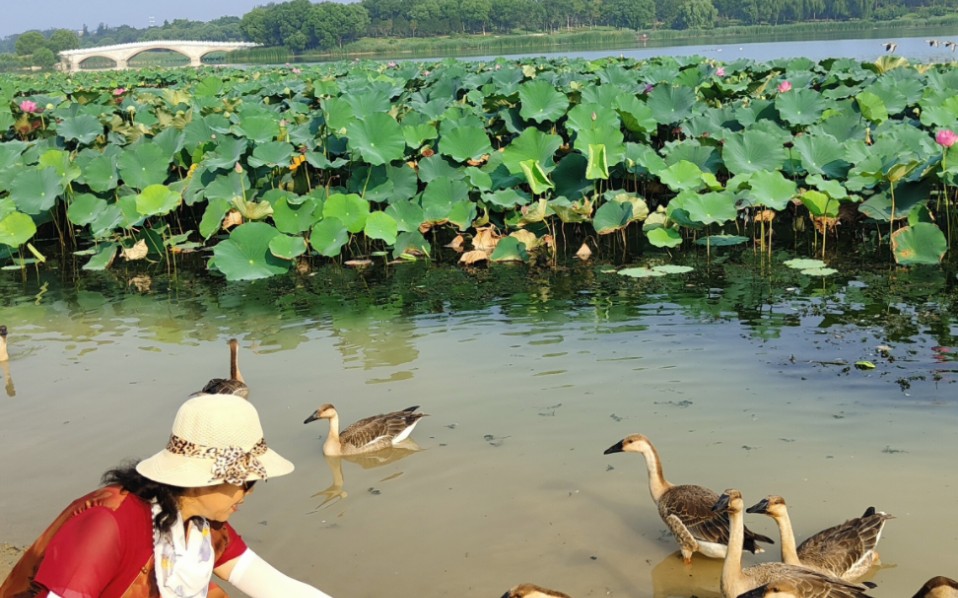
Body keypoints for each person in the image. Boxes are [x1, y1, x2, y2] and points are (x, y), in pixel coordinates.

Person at [1, 393, 333, 598]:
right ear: (202, 479)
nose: (248, 492)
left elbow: (277, 588)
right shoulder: (108, 523)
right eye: (245, 481)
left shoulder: (203, 525)